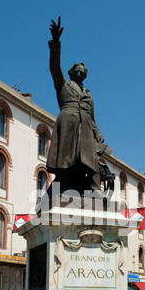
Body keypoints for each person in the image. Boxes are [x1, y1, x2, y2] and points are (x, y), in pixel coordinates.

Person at [46, 17, 111, 195]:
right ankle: (65, 186)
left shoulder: (88, 94)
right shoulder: (63, 84)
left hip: (86, 128)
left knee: (89, 159)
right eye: (77, 70)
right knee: (66, 158)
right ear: (71, 73)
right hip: (68, 123)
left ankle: (94, 190)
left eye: (83, 72)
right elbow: (54, 66)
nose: (80, 73)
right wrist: (56, 42)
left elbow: (92, 117)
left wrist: (97, 133)